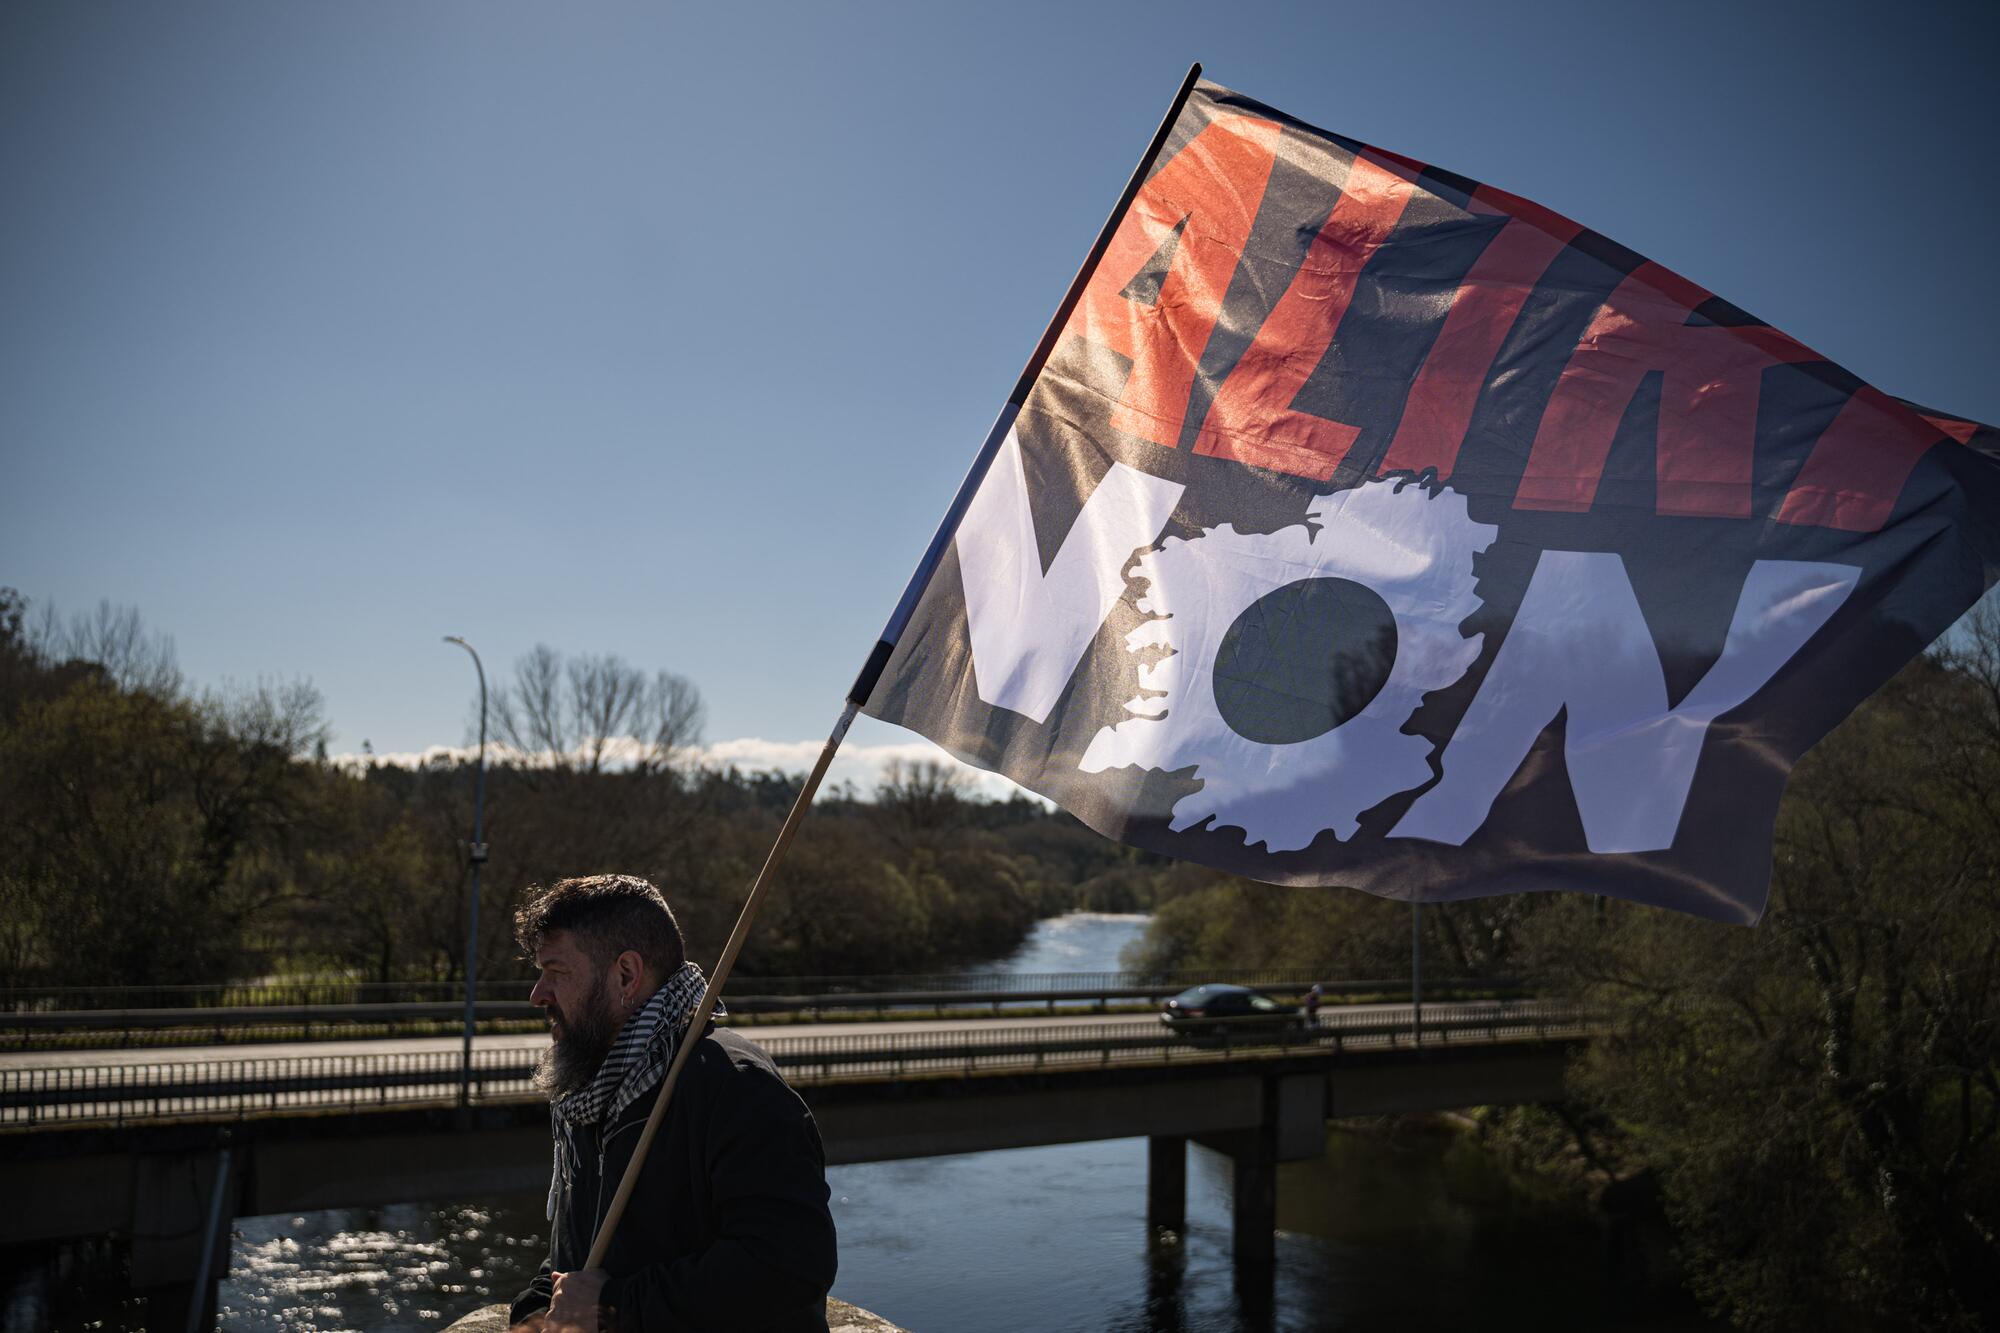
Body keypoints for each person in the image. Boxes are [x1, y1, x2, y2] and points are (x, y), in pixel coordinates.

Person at [507, 874, 837, 1333]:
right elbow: (577, 1255)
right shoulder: (593, 1086)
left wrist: (615, 1305)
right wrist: (536, 1312)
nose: (538, 994)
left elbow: (789, 1265)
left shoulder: (737, 1087)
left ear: (626, 974)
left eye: (557, 972)